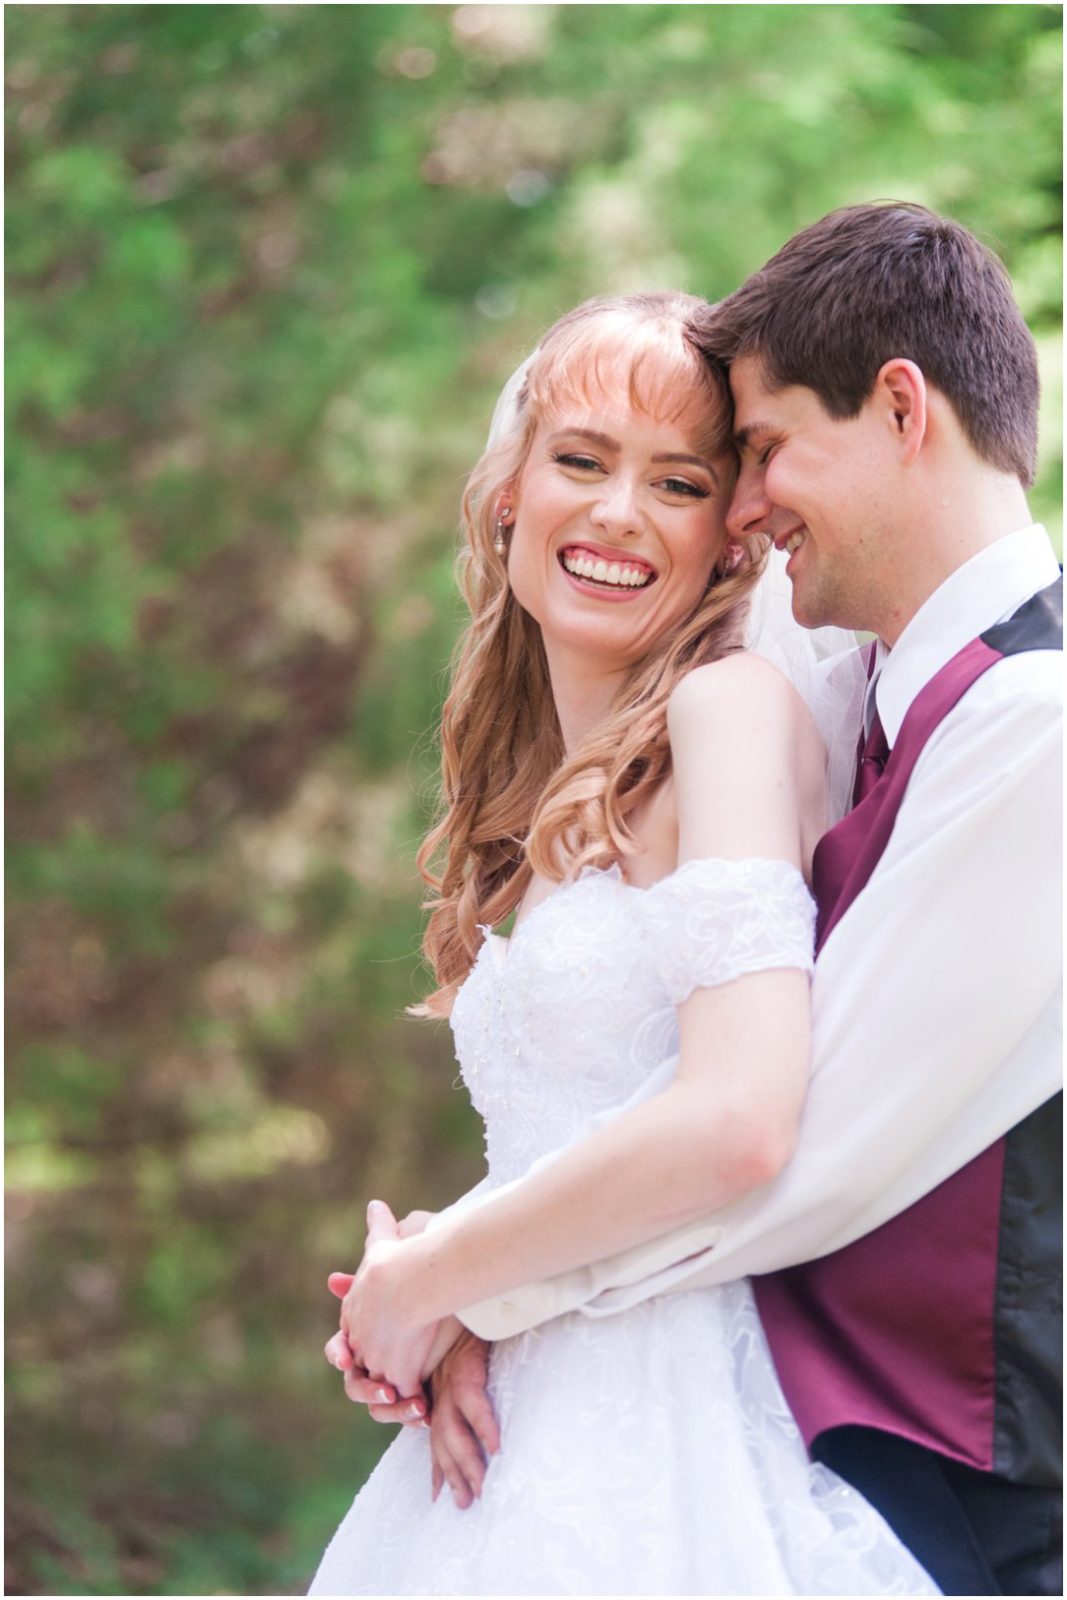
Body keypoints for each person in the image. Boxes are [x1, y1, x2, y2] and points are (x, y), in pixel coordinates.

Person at [347, 205, 1059, 1597]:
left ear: (901, 409)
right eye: (578, 461)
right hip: (636, 1407)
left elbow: (772, 1133)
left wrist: (448, 1285)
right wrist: (459, 1291)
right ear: (507, 492)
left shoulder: (1029, 722)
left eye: (742, 462)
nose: (743, 508)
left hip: (934, 1479)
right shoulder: (854, 679)